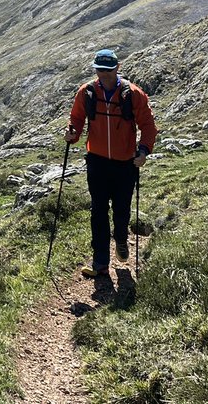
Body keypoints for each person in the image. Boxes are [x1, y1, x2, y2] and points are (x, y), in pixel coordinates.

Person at [64, 48, 157, 278]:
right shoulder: (87, 92)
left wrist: (143, 151)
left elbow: (148, 125)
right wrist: (72, 134)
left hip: (125, 163)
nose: (104, 74)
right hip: (97, 161)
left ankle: (122, 240)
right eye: (100, 70)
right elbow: (76, 118)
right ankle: (100, 262)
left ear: (117, 68)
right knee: (98, 210)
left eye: (108, 70)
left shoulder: (133, 94)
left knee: (121, 210)